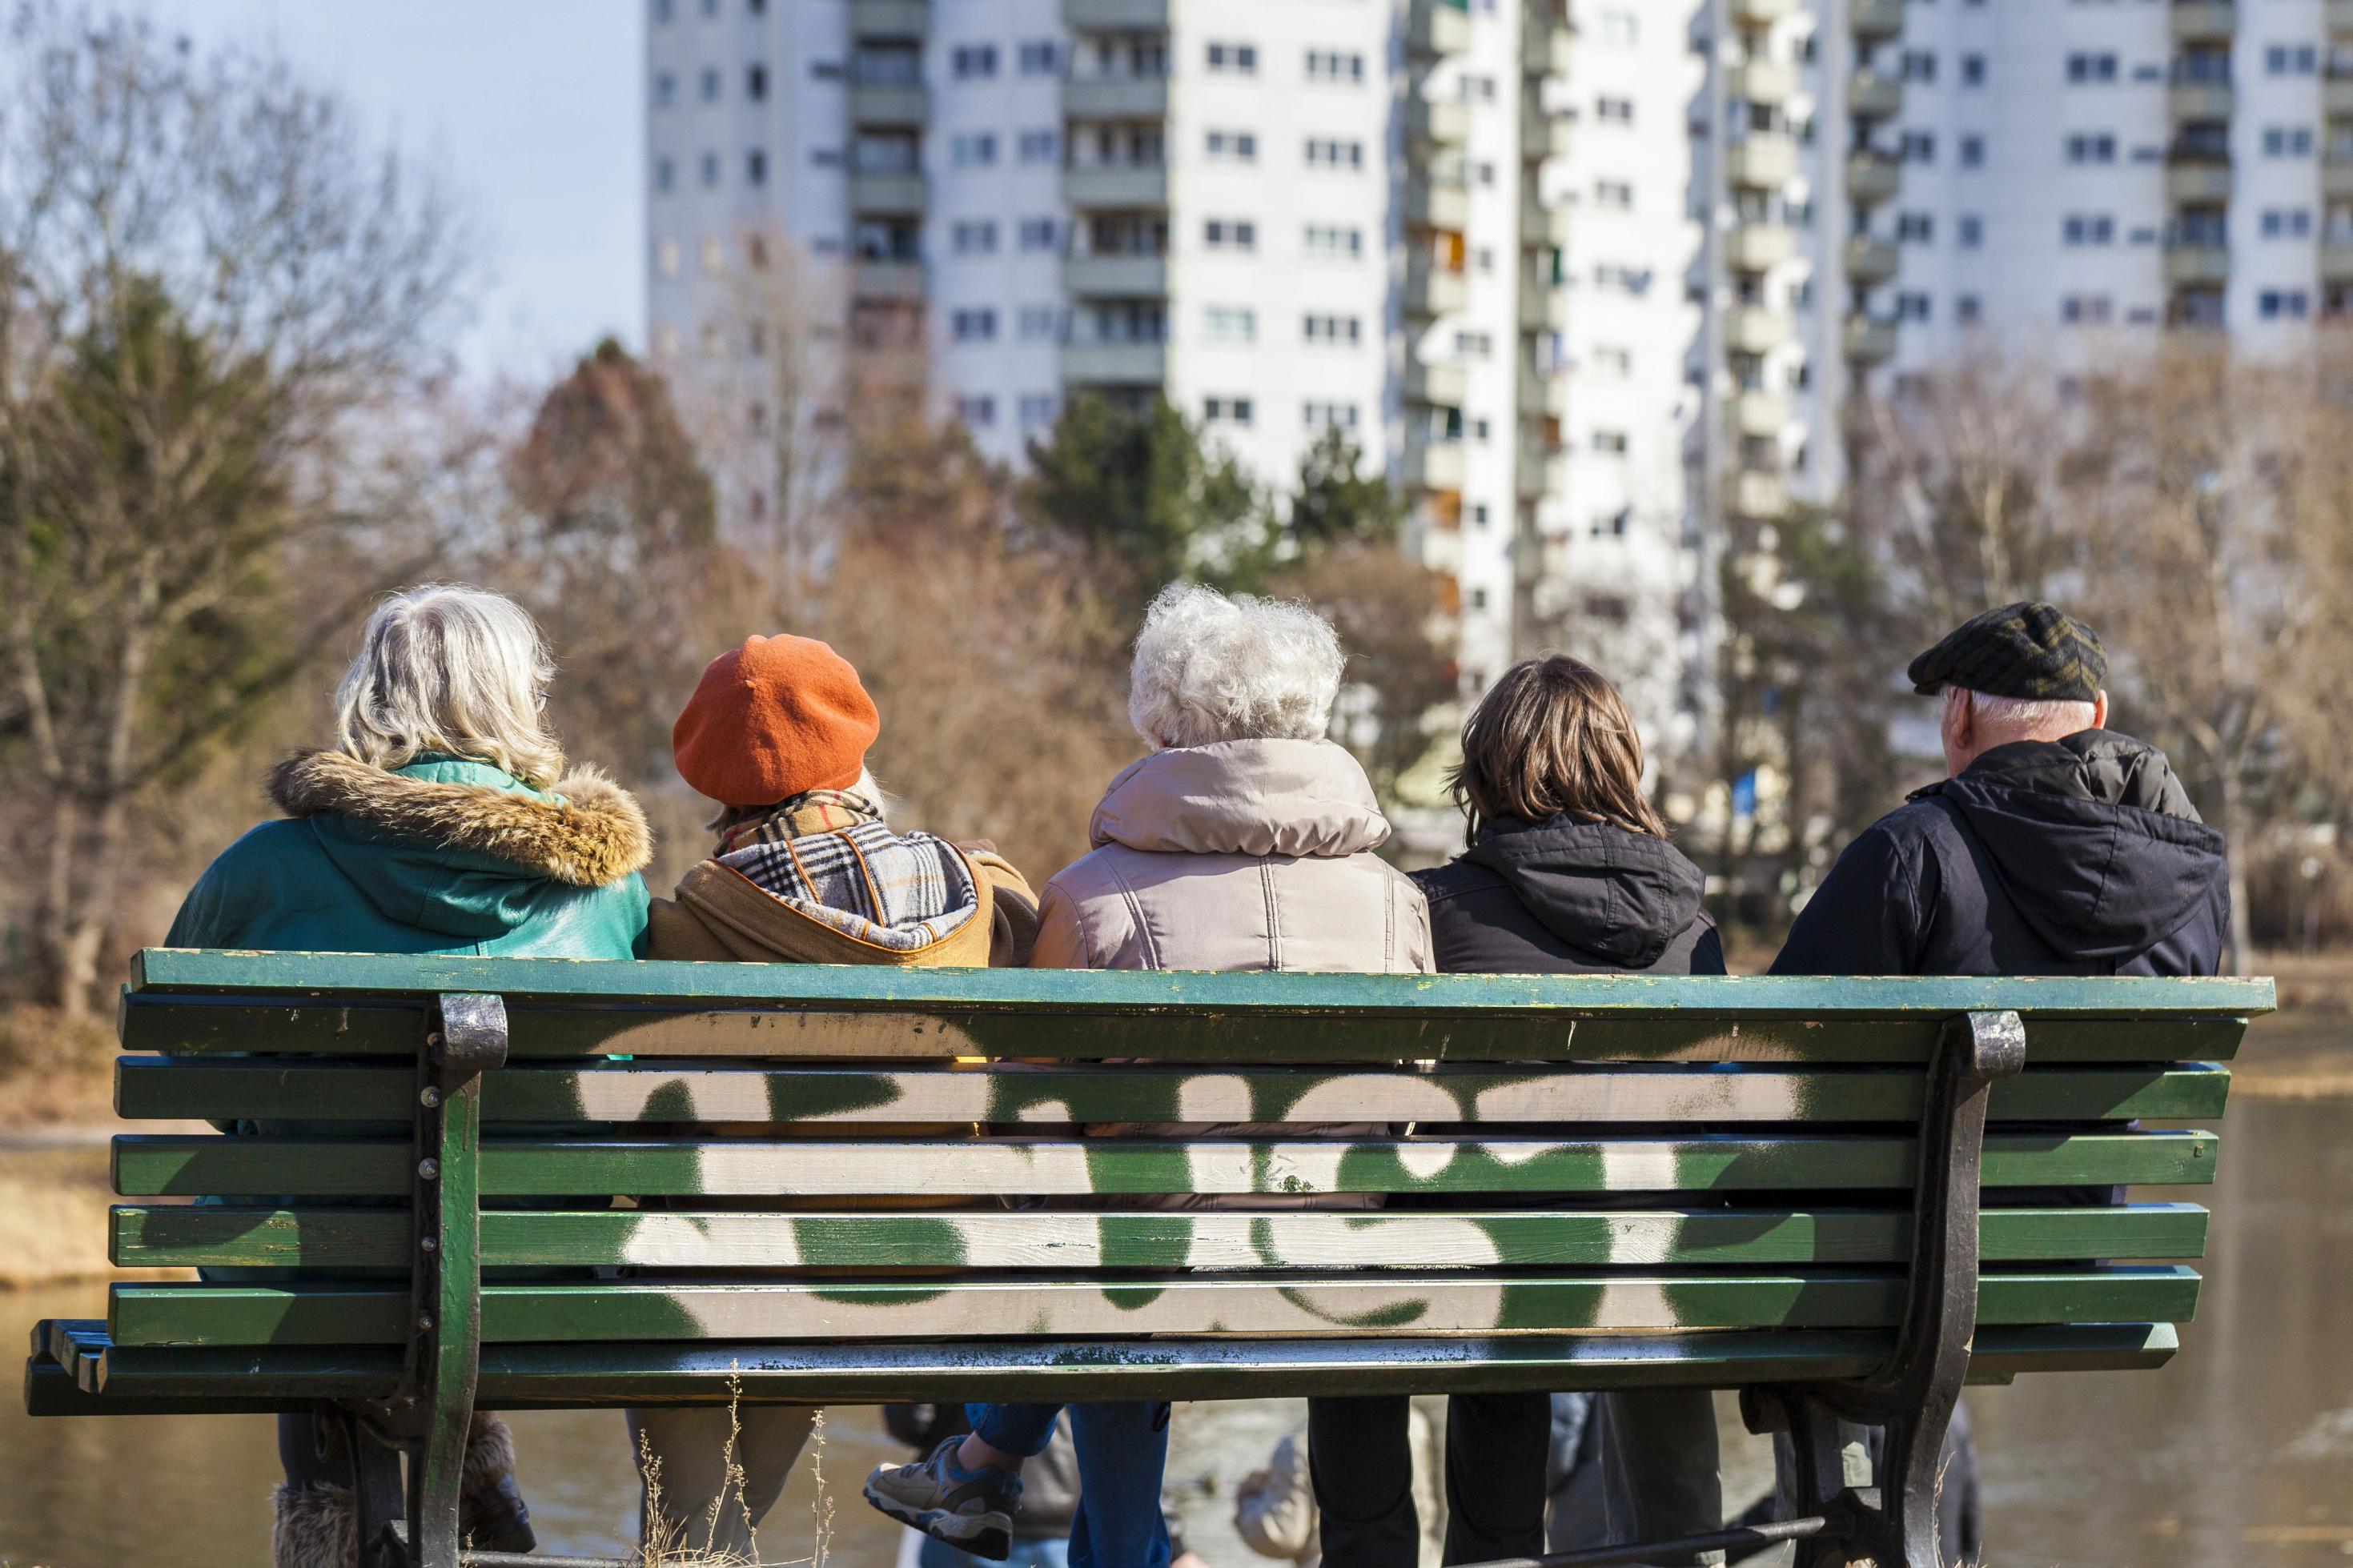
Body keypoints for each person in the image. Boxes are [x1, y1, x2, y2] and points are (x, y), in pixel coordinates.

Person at [862, 584, 1434, 1567]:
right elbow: (1413, 1117)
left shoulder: (1089, 899)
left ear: (1162, 720)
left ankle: (1008, 1472)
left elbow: (1029, 1137)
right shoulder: (1394, 902)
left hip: (1146, 1279)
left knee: (1104, 1237)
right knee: (1118, 1234)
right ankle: (992, 1467)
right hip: (1345, 1271)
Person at [165, 584, 654, 1568]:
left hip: (321, 1267)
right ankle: (478, 1483)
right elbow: (628, 1081)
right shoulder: (607, 887)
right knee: (425, 1259)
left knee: (309, 1238)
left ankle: (335, 1521)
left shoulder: (265, 865)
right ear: (521, 699)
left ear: (371, 695)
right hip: (534, 1270)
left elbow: (188, 1066)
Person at [1769, 601, 2228, 1566]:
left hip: (1884, 1277)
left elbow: (1774, 1066)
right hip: (2066, 1266)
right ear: (2096, 716)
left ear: (1960, 720)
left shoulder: (1909, 854)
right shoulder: (2192, 879)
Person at [1307, 656, 1727, 1568]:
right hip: (1632, 1265)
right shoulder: (1692, 934)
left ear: (1487, 773)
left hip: (1465, 1257)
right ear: (1623, 766)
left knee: (1373, 1277)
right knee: (1524, 1259)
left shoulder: (1427, 910)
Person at [628, 633, 1041, 1558]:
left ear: (708, 773)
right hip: (944, 1265)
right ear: (856, 743)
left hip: (750, 1272)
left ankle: (695, 1550)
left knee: (707, 1250)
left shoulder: (688, 923)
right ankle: (704, 1547)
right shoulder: (978, 891)